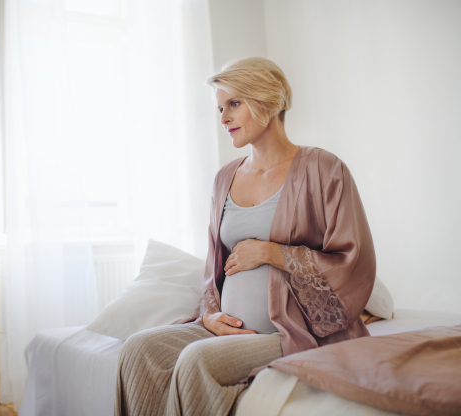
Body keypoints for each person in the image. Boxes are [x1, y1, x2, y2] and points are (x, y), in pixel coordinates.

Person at [114, 57, 376, 416]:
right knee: (137, 349)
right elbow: (213, 270)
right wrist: (208, 316)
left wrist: (272, 253)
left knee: (196, 361)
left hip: (287, 333)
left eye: (234, 104)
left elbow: (353, 262)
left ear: (267, 101)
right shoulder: (225, 177)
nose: (223, 118)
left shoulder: (323, 169)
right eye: (220, 107)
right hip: (223, 329)